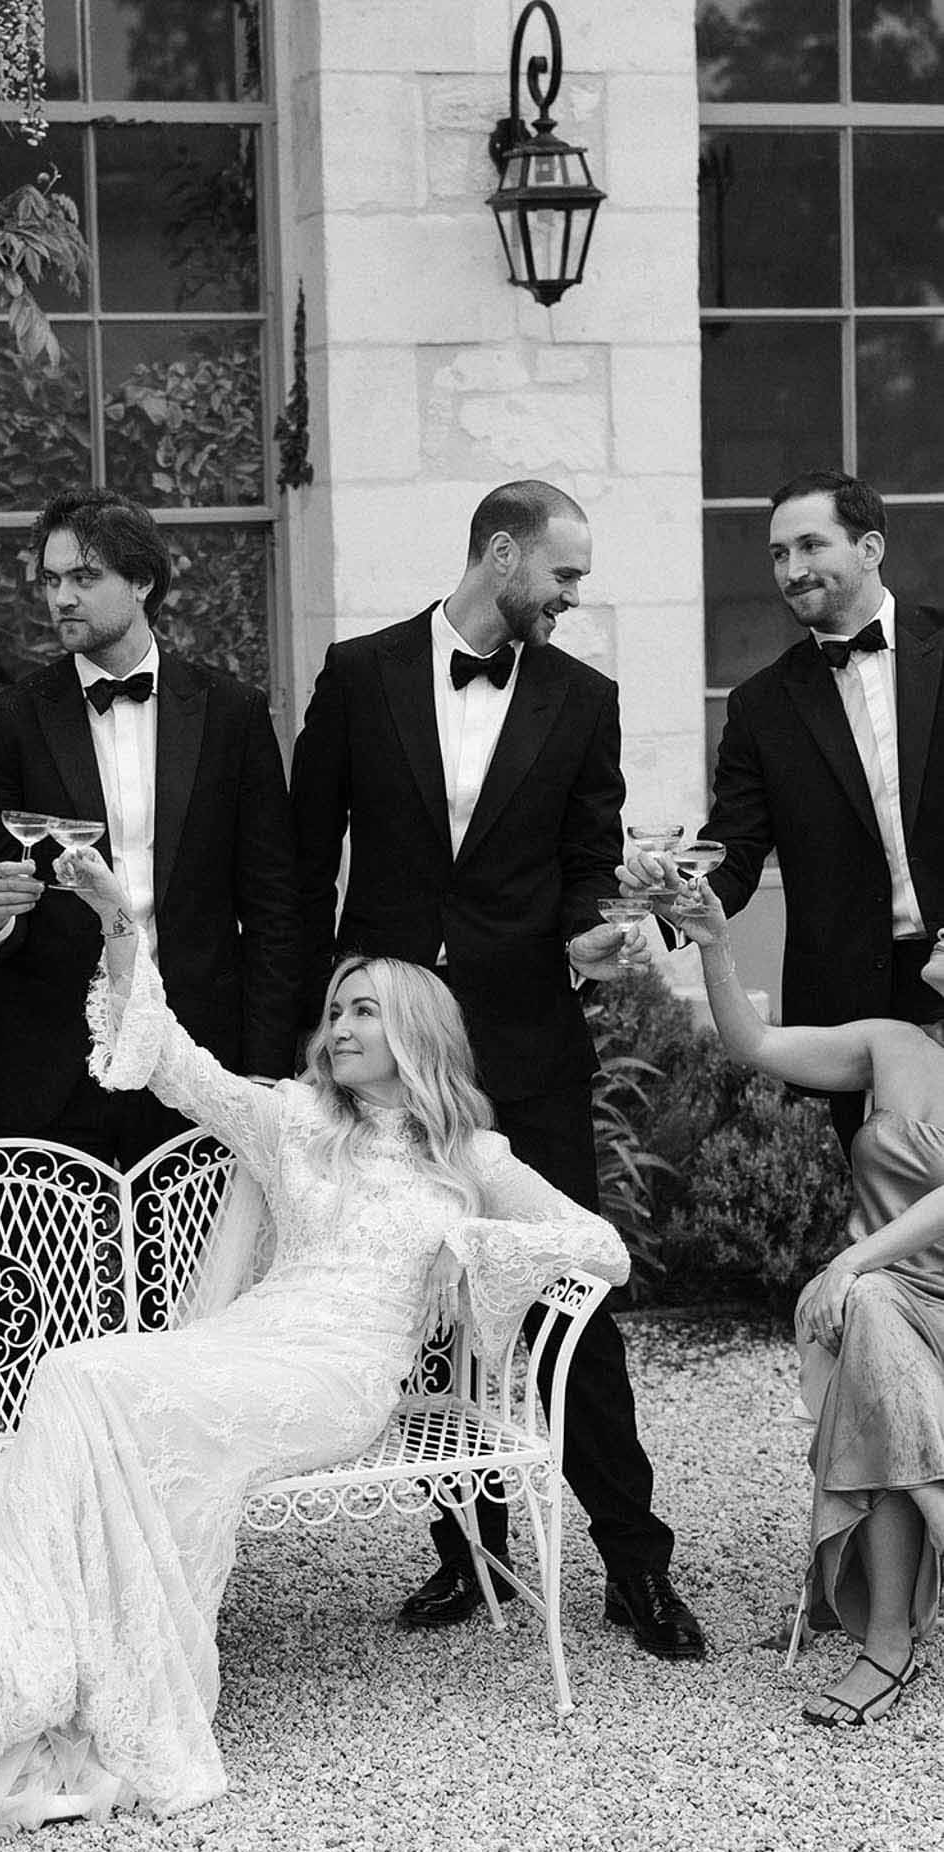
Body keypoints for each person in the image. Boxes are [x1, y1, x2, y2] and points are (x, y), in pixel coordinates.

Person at [0, 843, 628, 1852]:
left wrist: (475, 1250)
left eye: (362, 1012)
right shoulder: (294, 1119)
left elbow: (596, 1245)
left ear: (418, 1032)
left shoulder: (470, 1158)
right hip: (249, 1341)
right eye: (334, 1010)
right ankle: (36, 1678)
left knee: (92, 1383)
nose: (336, 1028)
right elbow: (172, 1060)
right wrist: (119, 919)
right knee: (77, 1370)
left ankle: (32, 1676)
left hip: (339, 1378)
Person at [289, 479, 705, 1661]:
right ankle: (467, 1551)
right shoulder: (360, 673)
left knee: (574, 1295)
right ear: (502, 552)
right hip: (389, 1057)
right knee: (426, 1300)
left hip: (526, 1045)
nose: (574, 598)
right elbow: (304, 857)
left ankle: (634, 1563)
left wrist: (596, 933)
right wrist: (316, 1036)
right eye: (563, 576)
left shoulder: (584, 700)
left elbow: (585, 865)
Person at [672, 874, 944, 1727]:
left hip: (874, 1287)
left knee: (866, 1324)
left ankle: (889, 1645)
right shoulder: (894, 1043)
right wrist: (716, 939)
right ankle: (888, 1640)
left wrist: (847, 1263)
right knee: (871, 1327)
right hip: (883, 1299)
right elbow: (752, 1043)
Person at [0, 484, 300, 1169]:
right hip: (50, 1057)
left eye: (85, 578)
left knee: (195, 1269)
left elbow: (274, 906)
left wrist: (263, 1068)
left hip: (197, 1050)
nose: (61, 598)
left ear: (143, 581)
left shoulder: (232, 713)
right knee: (46, 1275)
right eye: (52, 580)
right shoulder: (10, 719)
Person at [630, 469, 944, 1158]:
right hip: (847, 1002)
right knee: (883, 1201)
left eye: (810, 546)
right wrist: (676, 887)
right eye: (778, 554)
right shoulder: (760, 706)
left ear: (869, 548)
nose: (792, 570)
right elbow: (733, 850)